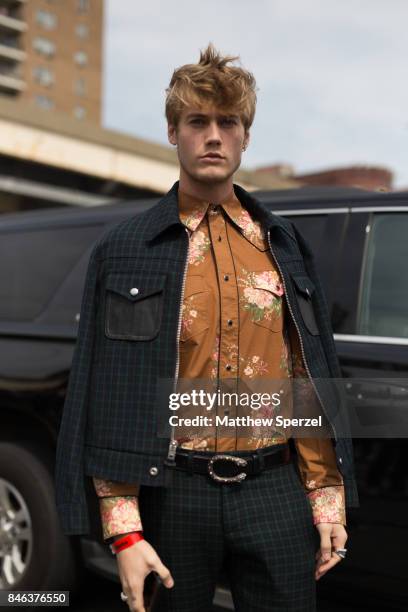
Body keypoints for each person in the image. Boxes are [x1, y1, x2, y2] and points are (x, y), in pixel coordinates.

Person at [55, 43, 359, 612]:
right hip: (174, 495)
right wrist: (125, 532)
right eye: (197, 122)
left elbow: (307, 374)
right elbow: (107, 392)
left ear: (246, 136)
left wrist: (327, 498)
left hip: (275, 491)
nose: (213, 136)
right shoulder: (125, 250)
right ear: (174, 133)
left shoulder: (282, 244)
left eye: (228, 122)